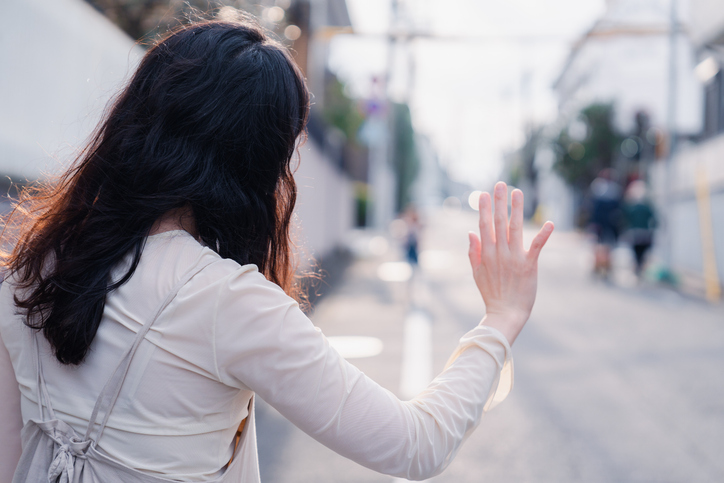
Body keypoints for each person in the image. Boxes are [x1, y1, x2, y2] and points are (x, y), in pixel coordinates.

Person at [0, 20, 554, 482]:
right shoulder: (227, 302)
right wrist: (498, 321)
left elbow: (12, 454)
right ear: (259, 164)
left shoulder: (31, 266)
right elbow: (414, 445)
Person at [588, 169, 623, 279]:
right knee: (599, 245)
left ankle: (605, 266)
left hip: (608, 223)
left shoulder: (613, 190)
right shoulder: (598, 187)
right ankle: (598, 265)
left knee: (606, 245)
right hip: (602, 222)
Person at [622, 180, 657, 277]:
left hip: (635, 233)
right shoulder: (647, 207)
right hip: (645, 234)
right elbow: (654, 220)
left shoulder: (632, 208)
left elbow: (626, 219)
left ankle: (638, 267)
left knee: (636, 252)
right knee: (642, 252)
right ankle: (640, 267)